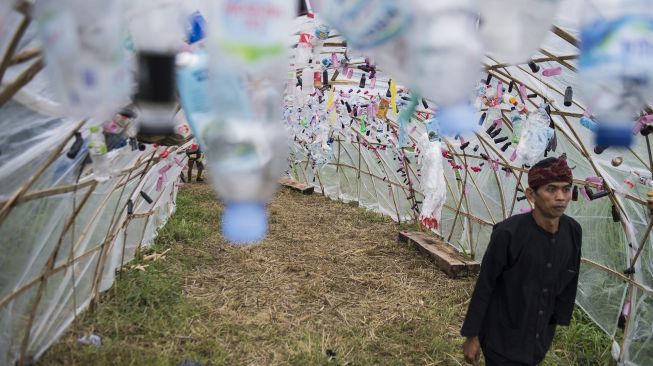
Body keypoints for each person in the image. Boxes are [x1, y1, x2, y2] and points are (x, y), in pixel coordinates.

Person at [461, 156, 582, 365]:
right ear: (531, 194)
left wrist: (559, 316)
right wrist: (473, 335)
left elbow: (572, 274)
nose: (561, 197)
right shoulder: (508, 234)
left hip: (539, 336)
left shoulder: (572, 231)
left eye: (566, 189)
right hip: (502, 337)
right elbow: (485, 284)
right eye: (551, 189)